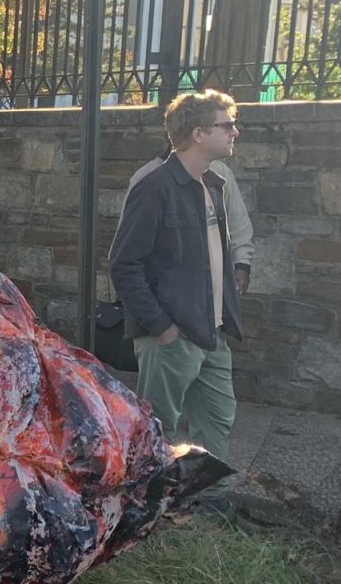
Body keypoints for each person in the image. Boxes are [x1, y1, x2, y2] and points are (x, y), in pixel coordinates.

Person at [108, 90, 244, 492]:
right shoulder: (155, 187)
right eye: (227, 125)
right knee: (156, 429)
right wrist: (162, 328)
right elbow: (124, 264)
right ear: (199, 133)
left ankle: (207, 504)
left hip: (212, 331)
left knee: (217, 419)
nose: (235, 131)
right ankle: (146, 506)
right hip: (170, 337)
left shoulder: (215, 184)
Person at [128, 144, 253, 296]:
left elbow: (238, 224)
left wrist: (242, 264)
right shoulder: (146, 179)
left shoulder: (219, 174)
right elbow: (128, 249)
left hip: (212, 289)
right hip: (163, 290)